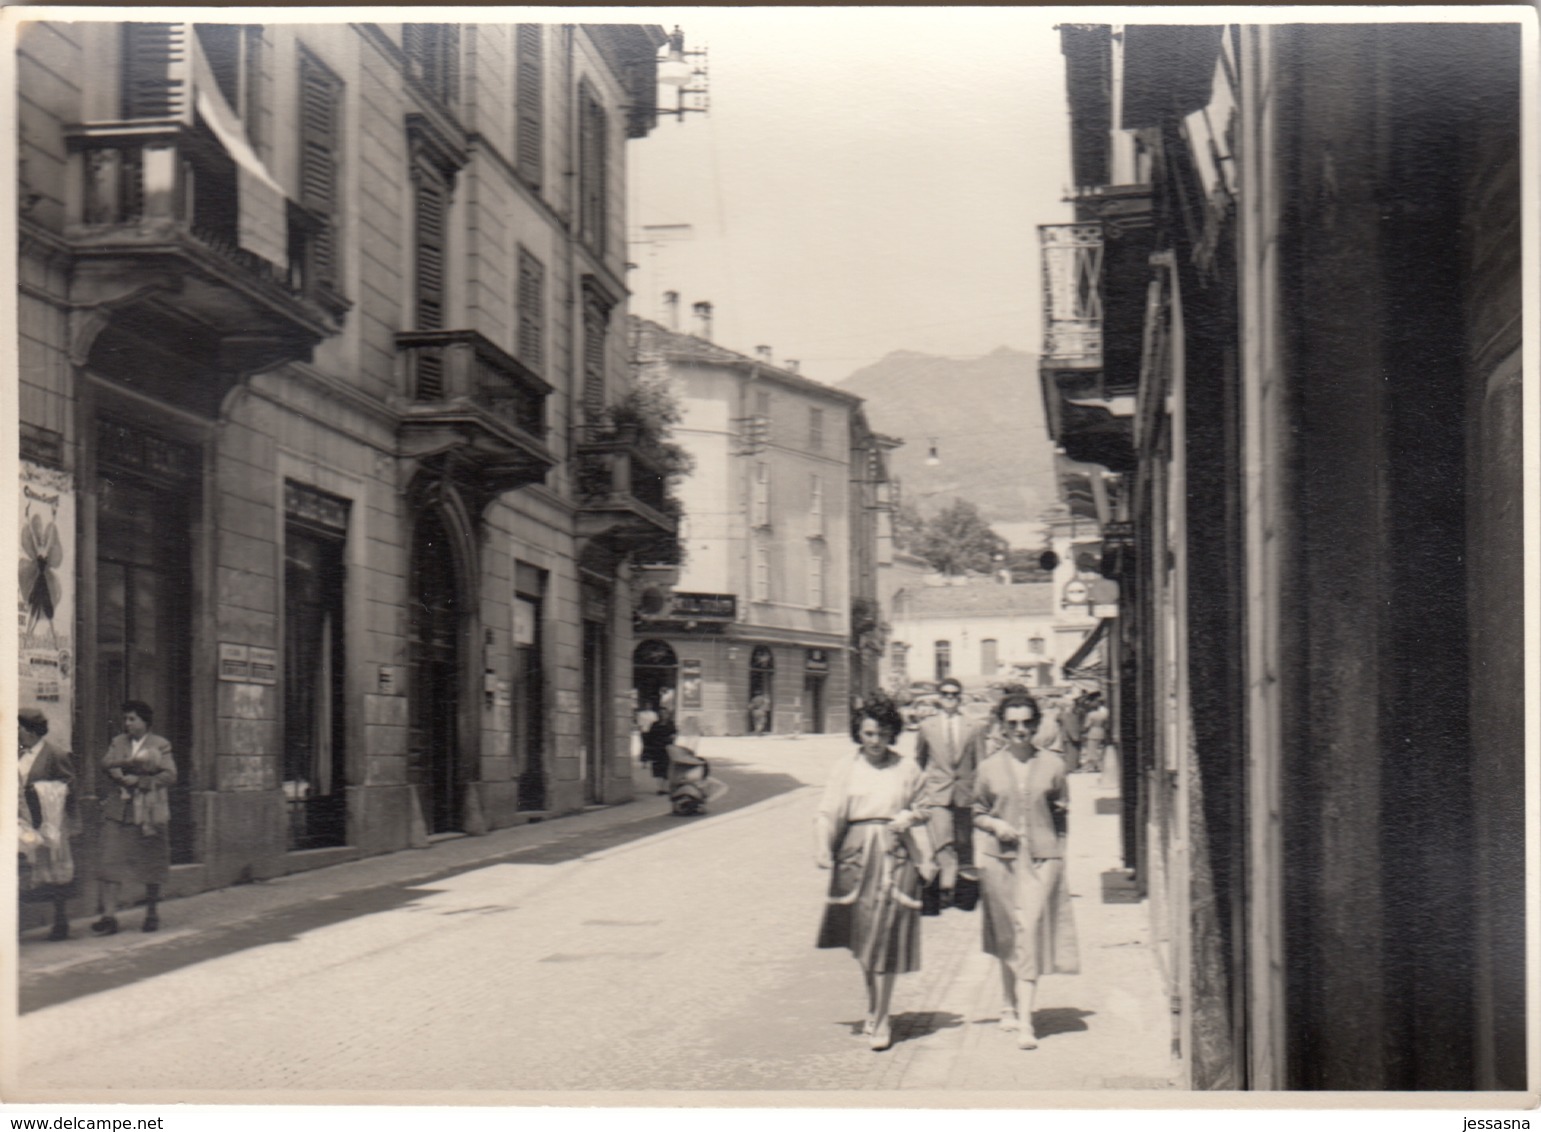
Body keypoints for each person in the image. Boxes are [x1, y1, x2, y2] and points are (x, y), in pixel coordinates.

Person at [815, 696, 937, 1051]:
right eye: (868, 733)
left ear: (892, 733)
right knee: (864, 938)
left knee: (887, 936)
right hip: (855, 855)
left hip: (896, 853)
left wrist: (910, 817)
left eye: (882, 733)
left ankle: (883, 1018)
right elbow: (828, 811)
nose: (875, 740)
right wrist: (823, 846)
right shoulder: (845, 768)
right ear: (859, 733)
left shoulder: (907, 768)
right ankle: (873, 1004)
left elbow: (926, 807)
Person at [972, 692, 1080, 1049]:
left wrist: (1057, 855)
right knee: (1007, 932)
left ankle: (1026, 1022)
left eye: (1026, 723)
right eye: (1012, 723)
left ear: (1036, 724)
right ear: (1002, 726)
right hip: (1000, 860)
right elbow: (977, 812)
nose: (1020, 730)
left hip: (1040, 861)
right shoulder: (988, 767)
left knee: (1029, 931)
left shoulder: (1053, 765)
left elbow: (1062, 813)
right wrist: (996, 826)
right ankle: (1006, 1003)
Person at [93, 701, 177, 935]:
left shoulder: (160, 744)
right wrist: (125, 768)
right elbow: (106, 763)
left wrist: (141, 782)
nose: (127, 723)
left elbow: (170, 775)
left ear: (145, 722)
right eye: (126, 719)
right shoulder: (118, 742)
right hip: (118, 810)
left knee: (152, 860)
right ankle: (109, 916)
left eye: (132, 719)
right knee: (110, 860)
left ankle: (151, 912)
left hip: (149, 810)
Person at [915, 677, 983, 910]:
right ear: (939, 697)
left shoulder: (973, 727)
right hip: (938, 793)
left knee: (964, 842)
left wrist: (981, 795)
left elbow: (980, 763)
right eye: (946, 694)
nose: (950, 698)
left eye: (955, 694)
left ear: (960, 697)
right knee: (943, 841)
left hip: (965, 792)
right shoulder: (927, 726)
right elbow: (920, 761)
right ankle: (945, 889)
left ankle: (965, 893)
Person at [18, 709, 79, 941]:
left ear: (31, 730)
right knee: (27, 865)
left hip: (49, 819)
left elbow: (69, 785)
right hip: (24, 817)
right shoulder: (18, 753)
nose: (17, 733)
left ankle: (60, 919)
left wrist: (41, 790)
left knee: (55, 867)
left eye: (20, 728)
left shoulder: (55, 753)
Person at [639, 703, 676, 795]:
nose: (663, 715)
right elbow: (650, 737)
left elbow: (674, 734)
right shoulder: (655, 725)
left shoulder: (670, 724)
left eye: (665, 713)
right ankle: (660, 788)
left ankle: (665, 787)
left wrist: (672, 738)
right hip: (657, 749)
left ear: (667, 714)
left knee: (666, 768)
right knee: (657, 769)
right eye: (661, 713)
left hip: (667, 749)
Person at [1082, 695, 1109, 775]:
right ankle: (1100, 766)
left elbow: (1087, 725)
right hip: (1101, 731)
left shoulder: (1090, 715)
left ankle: (1092, 767)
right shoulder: (1103, 715)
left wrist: (1084, 730)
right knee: (1099, 750)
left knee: (1091, 750)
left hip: (1093, 732)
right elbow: (1106, 724)